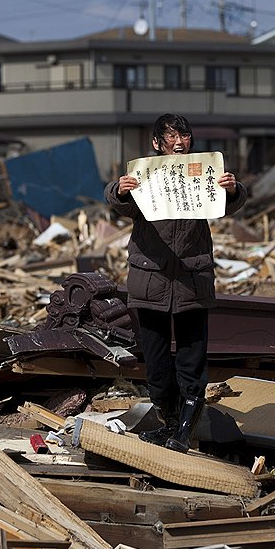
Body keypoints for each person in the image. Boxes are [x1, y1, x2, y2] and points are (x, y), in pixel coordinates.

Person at [104, 113, 248, 453]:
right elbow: (117, 203)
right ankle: (168, 421)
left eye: (184, 136)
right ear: (157, 143)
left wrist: (233, 188)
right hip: (149, 278)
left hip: (191, 280)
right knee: (155, 360)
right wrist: (119, 190)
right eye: (171, 138)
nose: (179, 143)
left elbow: (230, 204)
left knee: (191, 360)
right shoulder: (145, 176)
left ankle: (183, 433)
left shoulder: (203, 171)